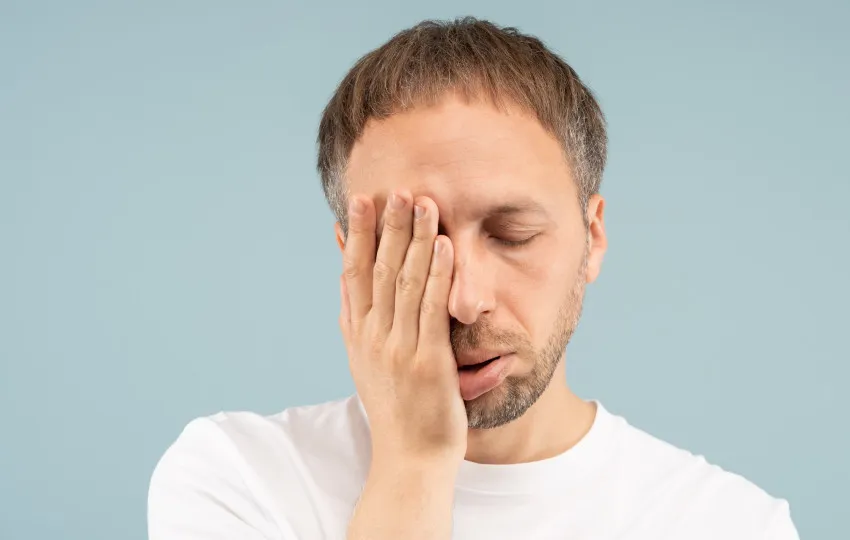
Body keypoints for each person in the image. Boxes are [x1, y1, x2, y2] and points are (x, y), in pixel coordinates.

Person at [147, 17, 799, 540]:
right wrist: (413, 460)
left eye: (512, 234)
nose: (464, 300)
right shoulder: (238, 477)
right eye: (411, 245)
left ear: (592, 238)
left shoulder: (730, 524)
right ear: (351, 258)